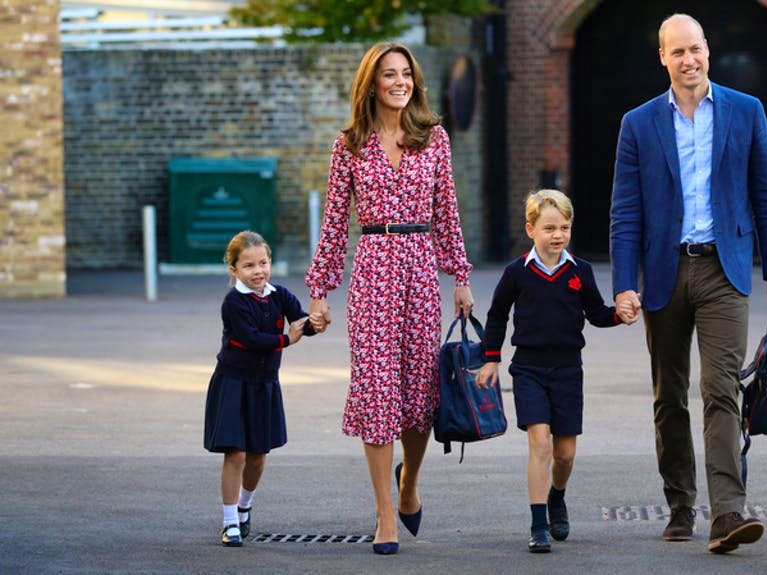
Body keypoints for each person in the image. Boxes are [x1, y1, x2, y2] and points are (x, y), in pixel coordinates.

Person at [609, 13, 767, 554]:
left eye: (695, 49)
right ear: (662, 58)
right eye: (677, 52)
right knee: (669, 396)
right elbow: (625, 212)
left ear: (707, 50)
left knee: (721, 389)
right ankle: (680, 504)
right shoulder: (638, 123)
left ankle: (728, 512)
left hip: (723, 270)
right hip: (664, 273)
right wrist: (624, 284)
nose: (688, 60)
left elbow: (766, 196)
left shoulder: (746, 110)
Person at [304, 41, 475, 556]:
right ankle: (384, 514)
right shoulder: (349, 145)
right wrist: (319, 291)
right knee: (378, 392)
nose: (400, 82)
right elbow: (335, 224)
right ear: (371, 84)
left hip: (420, 269)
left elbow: (447, 211)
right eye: (389, 75)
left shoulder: (434, 138)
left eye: (406, 74)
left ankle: (409, 482)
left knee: (419, 396)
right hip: (373, 270)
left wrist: (460, 275)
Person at [476, 189, 625, 553]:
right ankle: (538, 523)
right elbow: (497, 315)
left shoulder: (580, 271)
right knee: (540, 443)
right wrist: (491, 358)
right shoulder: (516, 272)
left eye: (564, 228)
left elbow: (596, 313)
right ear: (531, 229)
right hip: (528, 369)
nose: (558, 235)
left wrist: (620, 315)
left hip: (568, 370)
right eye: (549, 228)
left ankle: (557, 495)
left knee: (565, 454)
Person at [203, 230, 316, 547]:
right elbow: (251, 339)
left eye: (263, 263)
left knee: (257, 456)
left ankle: (244, 507)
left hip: (264, 385)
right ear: (234, 269)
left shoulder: (279, 295)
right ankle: (229, 522)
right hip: (233, 383)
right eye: (249, 265)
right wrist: (287, 339)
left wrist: (315, 323)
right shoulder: (233, 302)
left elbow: (301, 320)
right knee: (235, 453)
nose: (258, 271)